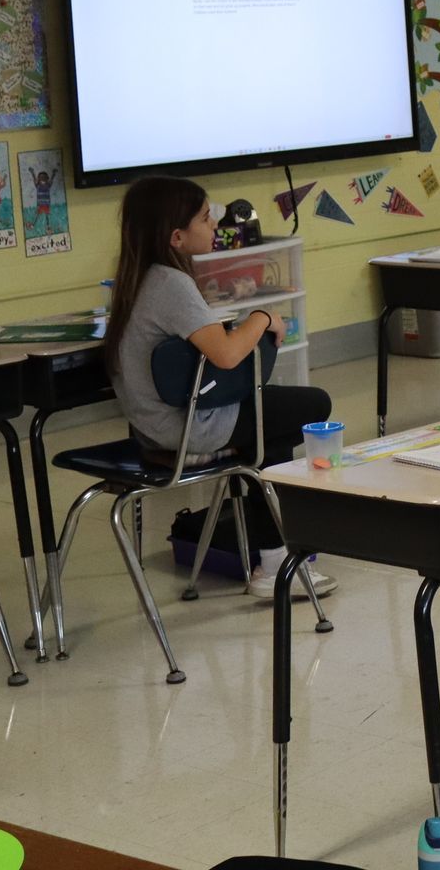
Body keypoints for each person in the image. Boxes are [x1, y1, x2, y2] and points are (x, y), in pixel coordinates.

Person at [101, 177, 335, 601]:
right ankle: (273, 558)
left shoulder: (133, 279)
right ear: (176, 236)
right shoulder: (170, 283)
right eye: (206, 219)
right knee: (309, 405)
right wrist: (263, 316)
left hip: (151, 427)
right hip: (187, 428)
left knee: (268, 426)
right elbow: (226, 355)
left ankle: (271, 551)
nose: (215, 227)